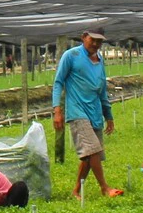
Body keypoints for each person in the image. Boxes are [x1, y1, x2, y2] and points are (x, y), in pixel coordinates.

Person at [52, 28, 122, 199]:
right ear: (84, 37)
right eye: (93, 40)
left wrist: (108, 114)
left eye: (100, 41)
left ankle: (76, 190)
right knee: (93, 151)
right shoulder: (72, 55)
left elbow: (102, 89)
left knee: (89, 156)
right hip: (77, 111)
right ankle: (104, 188)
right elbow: (58, 82)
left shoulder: (100, 60)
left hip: (95, 111)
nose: (96, 44)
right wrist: (57, 110)